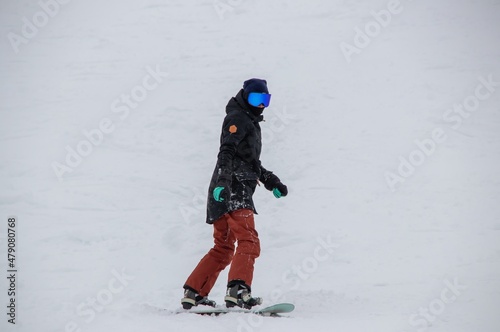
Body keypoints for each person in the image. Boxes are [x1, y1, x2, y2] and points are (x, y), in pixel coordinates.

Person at [181, 78, 288, 310]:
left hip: (221, 192)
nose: (260, 105)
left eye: (265, 100)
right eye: (256, 99)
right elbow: (226, 152)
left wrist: (271, 182)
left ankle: (195, 292)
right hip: (232, 189)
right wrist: (223, 182)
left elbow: (250, 162)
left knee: (223, 247)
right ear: (245, 96)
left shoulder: (247, 120)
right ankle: (238, 291)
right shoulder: (238, 118)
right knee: (249, 240)